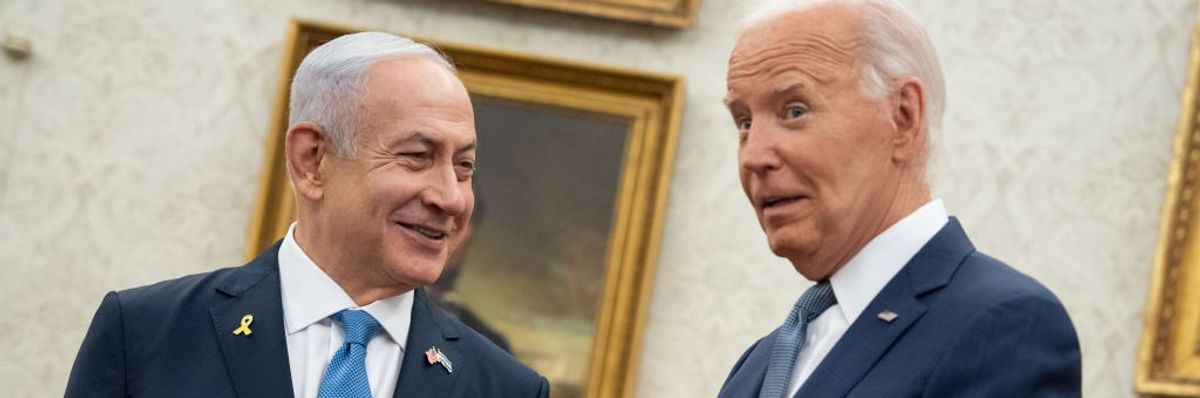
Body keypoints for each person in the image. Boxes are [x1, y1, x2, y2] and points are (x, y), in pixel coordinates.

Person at [65, 32, 549, 397]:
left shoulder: (507, 388)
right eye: (417, 157)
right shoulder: (146, 333)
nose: (451, 197)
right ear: (312, 160)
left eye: (463, 166)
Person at [718, 1, 1081, 397]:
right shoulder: (760, 364)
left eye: (795, 110)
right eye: (744, 122)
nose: (754, 156)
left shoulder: (1005, 325)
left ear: (903, 116)